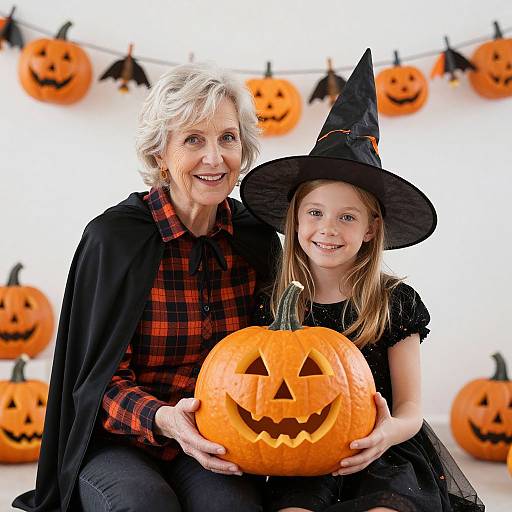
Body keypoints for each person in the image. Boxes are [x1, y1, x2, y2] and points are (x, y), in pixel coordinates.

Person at [13, 63, 282, 512]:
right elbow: (96, 382)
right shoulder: (114, 239)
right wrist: (164, 419)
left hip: (214, 437)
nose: (214, 158)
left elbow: (274, 358)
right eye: (193, 140)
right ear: (161, 154)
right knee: (144, 505)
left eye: (227, 138)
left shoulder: (254, 238)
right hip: (119, 439)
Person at [241, 49, 484, 512]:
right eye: (315, 213)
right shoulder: (275, 303)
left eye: (347, 216)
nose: (328, 228)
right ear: (294, 220)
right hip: (303, 455)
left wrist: (386, 432)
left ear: (370, 229)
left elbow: (411, 408)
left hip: (382, 453)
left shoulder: (394, 303)